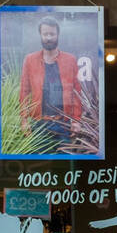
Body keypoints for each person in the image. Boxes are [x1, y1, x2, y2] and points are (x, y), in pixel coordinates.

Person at [19, 15, 82, 150]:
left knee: (65, 163)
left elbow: (76, 92)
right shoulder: (30, 60)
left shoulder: (70, 60)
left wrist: (76, 120)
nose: (48, 37)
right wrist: (24, 120)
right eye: (45, 34)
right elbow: (24, 91)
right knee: (40, 164)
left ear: (58, 34)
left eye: (52, 34)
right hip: (38, 123)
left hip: (64, 123)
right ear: (40, 35)